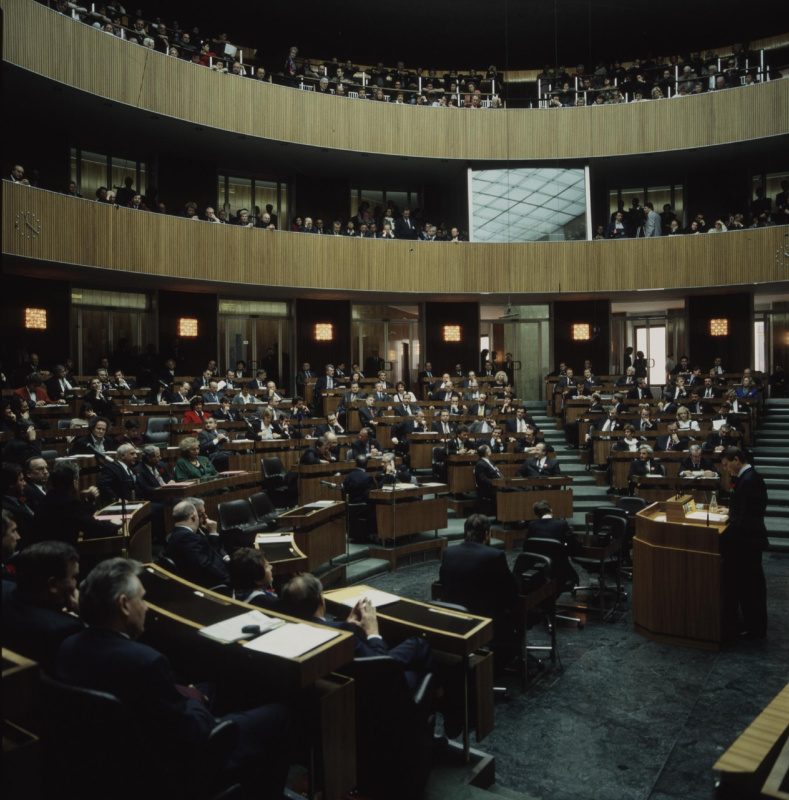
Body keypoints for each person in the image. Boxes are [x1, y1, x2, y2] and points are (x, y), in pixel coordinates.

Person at [54, 557, 293, 798]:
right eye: (142, 600)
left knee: (216, 685)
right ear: (124, 605)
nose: (146, 608)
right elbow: (196, 733)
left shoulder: (68, 646)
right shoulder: (146, 662)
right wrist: (194, 698)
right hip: (176, 770)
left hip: (113, 764)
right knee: (280, 713)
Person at [281, 572, 432, 693]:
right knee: (419, 646)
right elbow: (380, 664)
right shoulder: (342, 631)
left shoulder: (287, 632)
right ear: (322, 600)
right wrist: (373, 631)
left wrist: (345, 625)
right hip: (371, 689)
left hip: (333, 687)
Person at [2, 541, 83, 673]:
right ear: (52, 585)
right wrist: (83, 612)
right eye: (73, 577)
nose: (75, 583)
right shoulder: (64, 629)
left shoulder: (4, 589)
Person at [438, 514, 518, 648]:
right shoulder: (494, 555)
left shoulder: (449, 552)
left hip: (453, 618)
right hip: (483, 622)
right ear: (487, 534)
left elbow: (442, 581)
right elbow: (510, 591)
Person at [720, 448, 768, 639]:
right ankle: (750, 623)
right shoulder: (748, 477)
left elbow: (746, 518)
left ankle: (755, 627)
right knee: (748, 586)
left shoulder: (749, 480)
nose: (725, 469)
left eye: (726, 464)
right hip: (747, 540)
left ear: (737, 460)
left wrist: (726, 535)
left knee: (751, 587)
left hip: (747, 542)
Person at [163, 500, 230, 587]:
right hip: (215, 584)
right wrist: (229, 579)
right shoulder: (186, 538)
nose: (205, 517)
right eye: (199, 515)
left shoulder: (180, 534)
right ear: (194, 517)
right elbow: (206, 566)